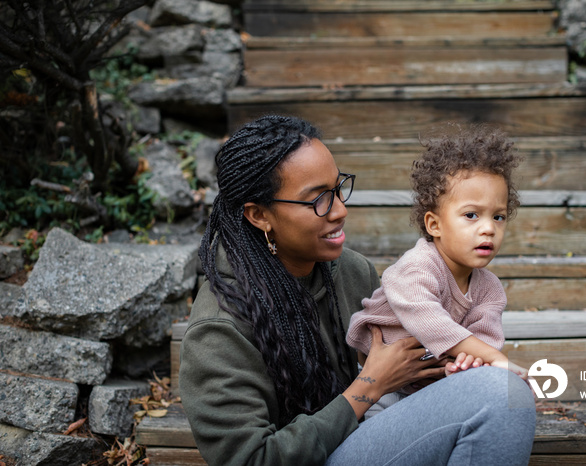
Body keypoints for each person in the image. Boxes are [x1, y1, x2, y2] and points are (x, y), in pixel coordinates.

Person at [179, 115, 536, 466]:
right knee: (498, 393)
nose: (339, 210)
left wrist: (445, 369)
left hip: (365, 438)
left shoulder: (349, 271)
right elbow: (253, 458)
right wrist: (370, 384)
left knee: (500, 393)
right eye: (318, 199)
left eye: (338, 189)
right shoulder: (219, 327)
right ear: (259, 215)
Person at [346, 125, 526, 401]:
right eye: (471, 215)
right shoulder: (417, 267)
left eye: (498, 217)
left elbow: (483, 339)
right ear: (434, 224)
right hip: (376, 384)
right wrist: (493, 357)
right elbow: (428, 320)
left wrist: (469, 363)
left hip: (426, 383)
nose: (489, 228)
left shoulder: (488, 288)